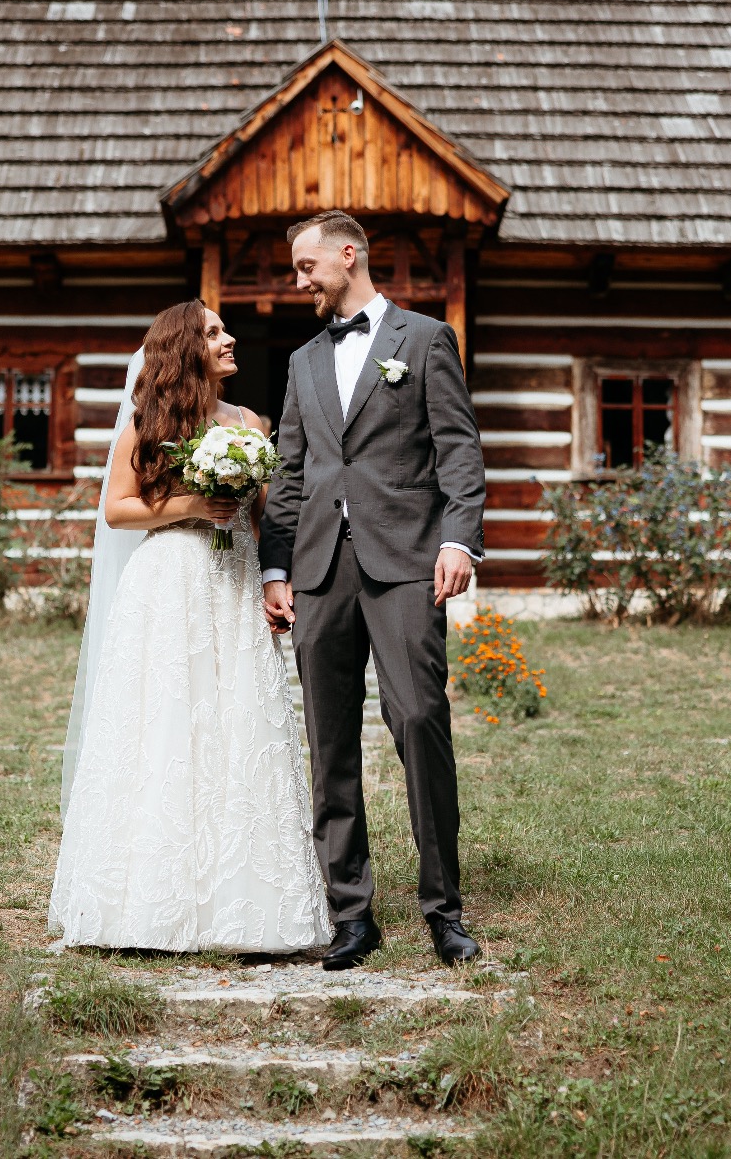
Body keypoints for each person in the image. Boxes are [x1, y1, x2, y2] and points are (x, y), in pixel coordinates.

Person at [49, 301, 331, 953]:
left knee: (241, 724)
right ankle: (147, 907)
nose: (229, 339)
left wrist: (273, 576)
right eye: (213, 332)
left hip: (233, 582)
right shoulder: (146, 424)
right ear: (187, 349)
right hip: (169, 581)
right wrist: (191, 503)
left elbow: (268, 514)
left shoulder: (248, 423)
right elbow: (119, 510)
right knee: (166, 724)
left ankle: (252, 909)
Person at [259, 210, 488, 970]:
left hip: (406, 563)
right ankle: (350, 913)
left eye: (306, 267)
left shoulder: (423, 341)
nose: (300, 282)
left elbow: (457, 449)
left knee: (419, 718)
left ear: (347, 255)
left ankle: (443, 909)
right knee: (330, 742)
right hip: (321, 571)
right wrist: (275, 568)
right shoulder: (299, 362)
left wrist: (458, 540)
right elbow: (289, 475)